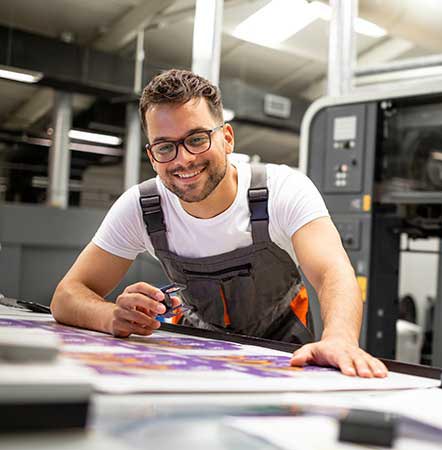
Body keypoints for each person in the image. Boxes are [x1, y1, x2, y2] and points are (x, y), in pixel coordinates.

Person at [51, 69, 387, 378]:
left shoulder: (281, 191)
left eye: (197, 139)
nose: (183, 159)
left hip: (285, 361)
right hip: (193, 360)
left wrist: (340, 339)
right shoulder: (142, 208)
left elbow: (333, 273)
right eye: (166, 147)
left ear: (226, 138)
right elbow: (67, 295)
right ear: (152, 156)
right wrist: (112, 317)